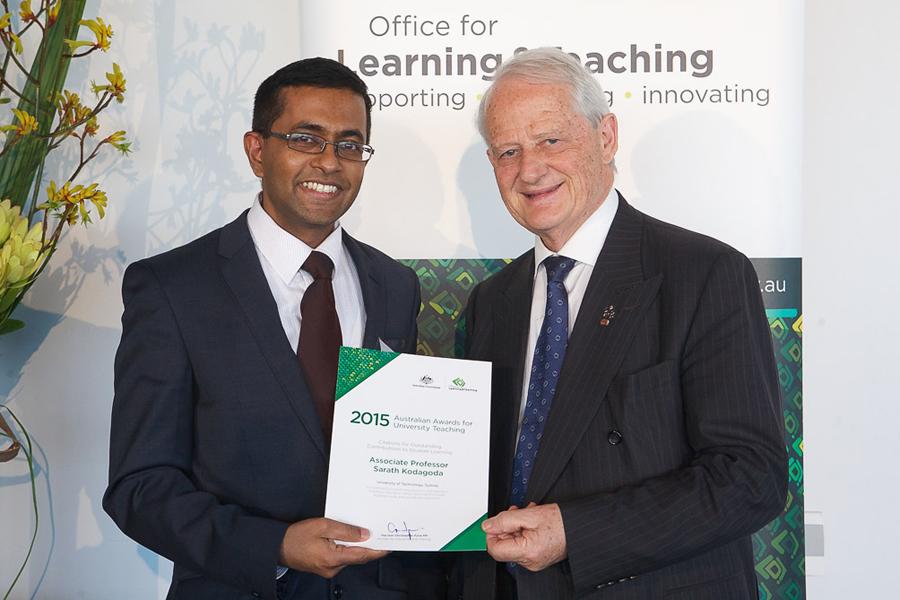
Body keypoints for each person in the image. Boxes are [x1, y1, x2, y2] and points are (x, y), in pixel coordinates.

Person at [452, 48, 787, 600]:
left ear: (606, 137)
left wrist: (575, 533)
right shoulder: (492, 301)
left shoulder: (703, 273)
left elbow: (751, 477)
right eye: (509, 151)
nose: (530, 170)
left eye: (550, 140)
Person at [103, 58, 444, 600]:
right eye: (306, 139)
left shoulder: (395, 284)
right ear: (257, 150)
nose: (330, 161)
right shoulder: (172, 288)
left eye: (350, 144)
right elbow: (140, 487)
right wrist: (276, 546)